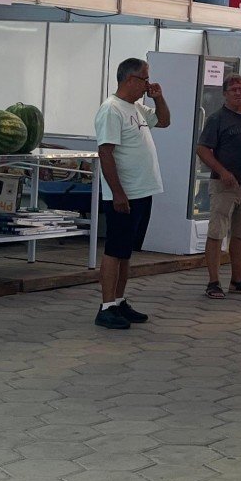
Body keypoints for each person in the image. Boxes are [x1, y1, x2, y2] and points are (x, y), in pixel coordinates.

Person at [93, 57, 168, 330]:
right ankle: (106, 306)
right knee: (115, 249)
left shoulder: (136, 107)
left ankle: (120, 300)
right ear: (129, 80)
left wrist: (159, 98)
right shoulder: (111, 110)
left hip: (142, 190)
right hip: (125, 192)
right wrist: (117, 193)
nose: (148, 84)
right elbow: (106, 152)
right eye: (144, 79)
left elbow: (164, 121)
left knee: (126, 251)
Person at [196, 73, 241, 299]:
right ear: (225, 94)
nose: (238, 92)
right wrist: (223, 171)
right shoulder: (217, 119)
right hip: (224, 186)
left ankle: (237, 279)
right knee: (217, 233)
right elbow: (203, 149)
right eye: (233, 89)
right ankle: (213, 282)